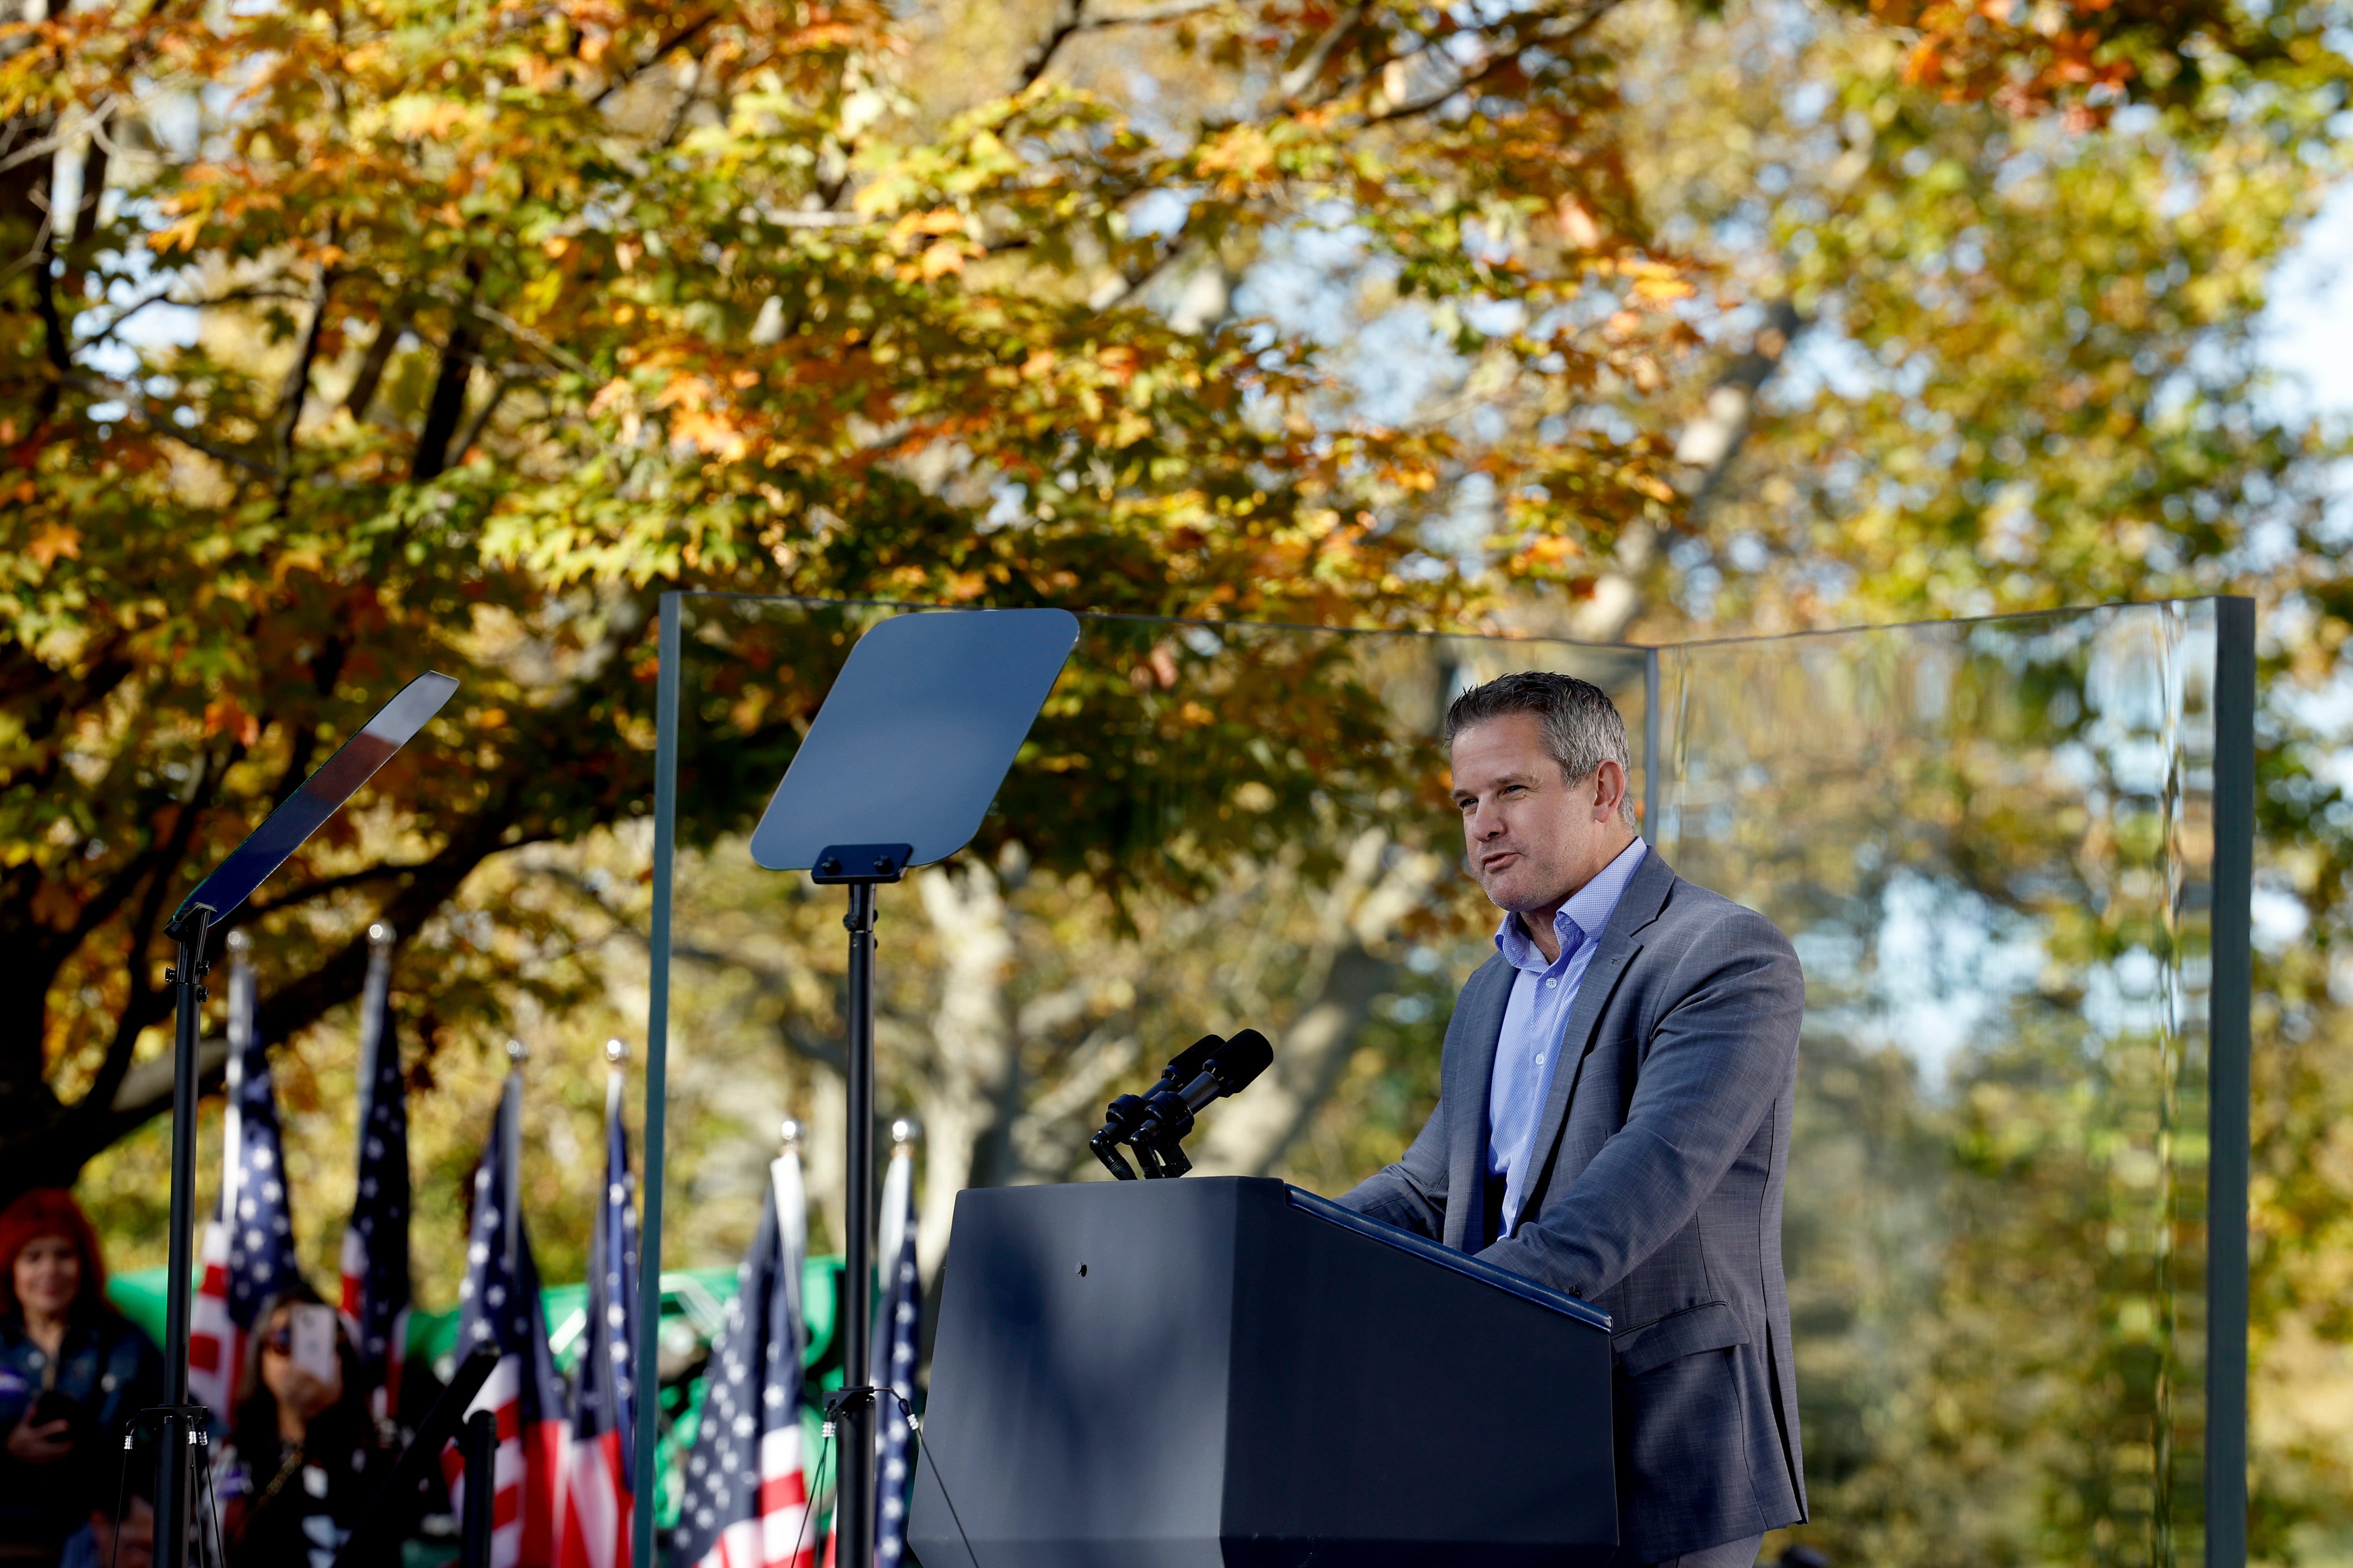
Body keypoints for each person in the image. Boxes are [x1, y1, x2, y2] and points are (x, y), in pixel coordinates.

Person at [1338, 672, 1806, 1568]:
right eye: (1467, 799)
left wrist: (1454, 1312)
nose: (1482, 823)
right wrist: (1275, 1242)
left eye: (1512, 789)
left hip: (1663, 1440)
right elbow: (1425, 1187)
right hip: (1500, 1436)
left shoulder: (1723, 953)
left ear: (1603, 787)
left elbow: (1643, 1181)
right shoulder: (1490, 988)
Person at [0, 1188, 165, 1568]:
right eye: (33, 1256)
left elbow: (182, 1433)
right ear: (11, 1267)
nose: (50, 1270)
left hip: (101, 1543)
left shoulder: (127, 1344)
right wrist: (9, 1448)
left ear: (85, 1263)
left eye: (63, 1254)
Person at [215, 1286, 390, 1568]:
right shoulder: (229, 1455)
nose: (299, 1355)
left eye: (316, 1339)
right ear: (260, 1354)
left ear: (341, 1351)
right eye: (284, 1339)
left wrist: (328, 1423)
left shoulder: (380, 1450)